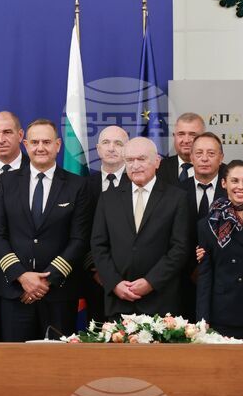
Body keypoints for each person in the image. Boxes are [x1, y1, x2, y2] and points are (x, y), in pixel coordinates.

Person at [0, 119, 92, 341]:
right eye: (34, 142)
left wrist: (45, 281)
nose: (40, 147)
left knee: (57, 367)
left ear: (58, 145)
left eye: (46, 141)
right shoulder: (7, 181)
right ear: (25, 144)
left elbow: (79, 239)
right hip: (15, 292)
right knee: (14, 365)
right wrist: (21, 277)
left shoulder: (77, 185)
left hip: (58, 293)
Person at [90, 137, 191, 318]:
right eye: (129, 160)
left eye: (141, 159)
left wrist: (150, 282)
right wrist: (114, 284)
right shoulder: (108, 198)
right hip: (119, 301)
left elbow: (180, 248)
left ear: (157, 161)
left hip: (161, 301)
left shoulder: (176, 198)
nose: (135, 165)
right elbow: (99, 246)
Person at [196, 161, 243, 339]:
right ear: (224, 183)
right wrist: (202, 318)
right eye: (235, 181)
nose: (241, 187)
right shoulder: (208, 224)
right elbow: (205, 276)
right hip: (223, 311)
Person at [82, 126, 130, 324]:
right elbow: (80, 231)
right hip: (94, 279)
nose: (112, 148)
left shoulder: (138, 184)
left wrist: (118, 275)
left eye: (118, 144)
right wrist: (98, 269)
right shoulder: (82, 186)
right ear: (97, 149)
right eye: (106, 143)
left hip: (130, 279)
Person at [178, 132, 227, 320]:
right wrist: (191, 268)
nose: (204, 158)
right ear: (191, 157)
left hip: (222, 280)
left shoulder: (232, 191)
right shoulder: (176, 191)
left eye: (211, 153)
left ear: (221, 157)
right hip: (182, 278)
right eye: (198, 153)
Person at [158, 112, 205, 185]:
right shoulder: (159, 168)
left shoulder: (220, 171)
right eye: (181, 134)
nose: (186, 140)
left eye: (192, 135)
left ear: (203, 138)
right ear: (174, 136)